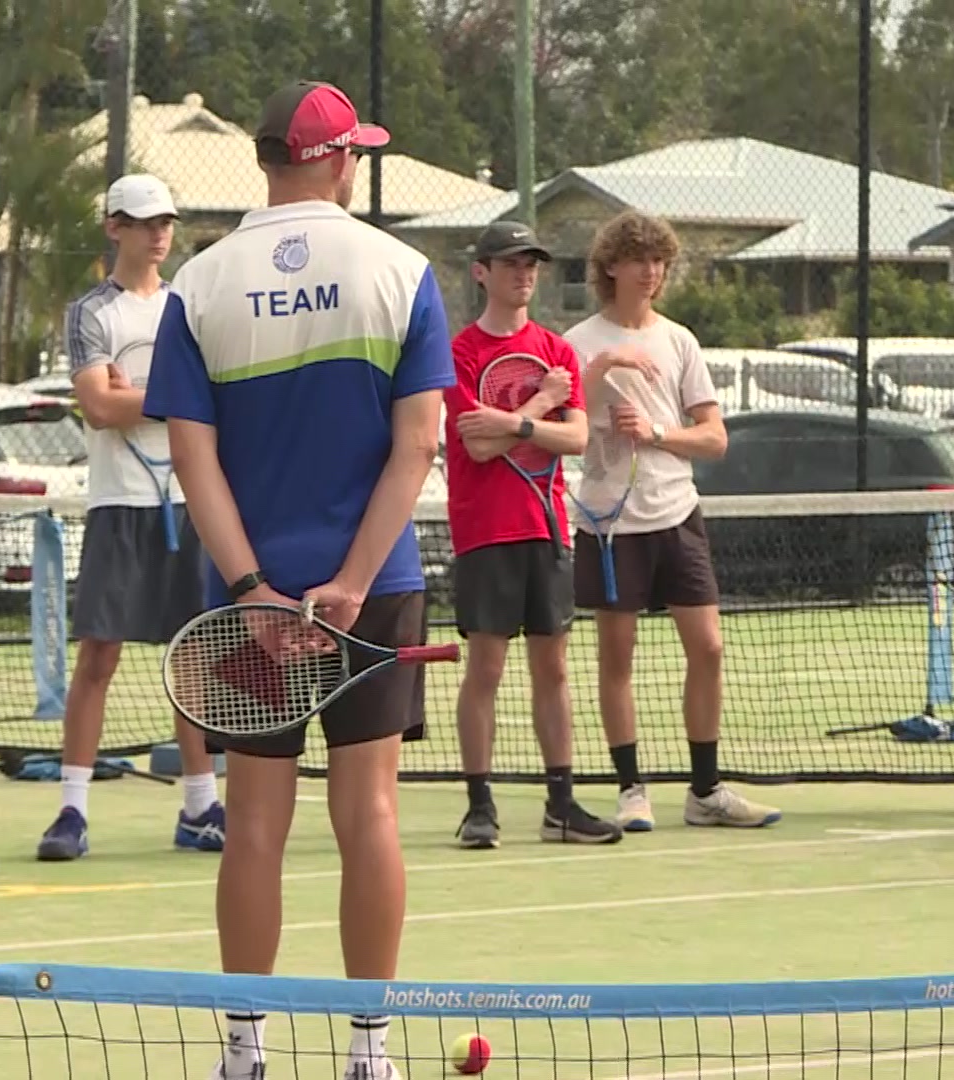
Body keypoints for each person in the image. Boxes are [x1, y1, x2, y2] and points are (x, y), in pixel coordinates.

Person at [142, 80, 450, 1080]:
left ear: (270, 159)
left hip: (252, 604)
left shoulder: (199, 284)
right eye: (353, 151)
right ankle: (370, 1054)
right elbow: (418, 446)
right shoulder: (402, 271)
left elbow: (195, 461)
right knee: (369, 817)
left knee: (255, 831)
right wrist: (354, 582)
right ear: (336, 160)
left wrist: (249, 592)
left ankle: (244, 1055)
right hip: (378, 591)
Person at [566, 209, 780, 831]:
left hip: (678, 515)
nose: (652, 272)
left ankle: (706, 791)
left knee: (709, 647)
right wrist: (600, 391)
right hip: (610, 524)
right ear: (612, 267)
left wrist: (656, 432)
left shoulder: (680, 340)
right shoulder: (579, 343)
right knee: (617, 657)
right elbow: (568, 430)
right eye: (640, 260)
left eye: (660, 261)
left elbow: (713, 440)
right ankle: (632, 790)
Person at [37, 174, 224, 862]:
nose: (158, 233)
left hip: (189, 499)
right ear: (114, 226)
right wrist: (172, 398)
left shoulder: (189, 307)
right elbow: (100, 408)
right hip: (120, 504)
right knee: (100, 656)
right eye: (144, 222)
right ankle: (71, 812)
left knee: (191, 659)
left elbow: (213, 399)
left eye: (166, 221)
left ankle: (202, 807)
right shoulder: (92, 313)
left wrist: (138, 394)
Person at [445, 220, 621, 849]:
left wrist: (522, 417)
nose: (524, 275)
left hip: (546, 530)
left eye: (532, 265)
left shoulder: (556, 351)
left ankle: (561, 805)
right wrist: (538, 407)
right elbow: (477, 442)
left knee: (553, 670)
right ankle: (479, 806)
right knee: (486, 668)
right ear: (482, 272)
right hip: (484, 530)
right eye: (512, 263)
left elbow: (575, 439)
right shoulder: (461, 353)